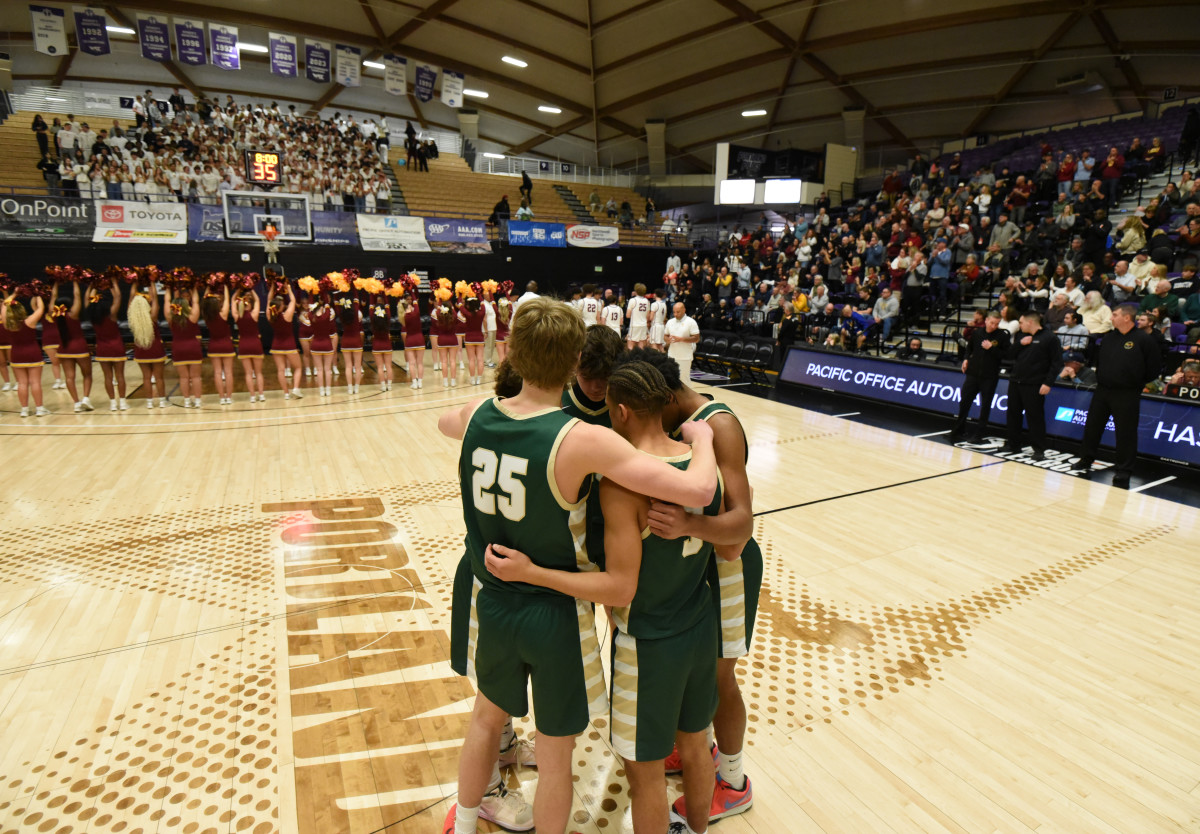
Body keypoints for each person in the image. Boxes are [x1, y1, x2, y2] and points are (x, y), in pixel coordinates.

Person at [436, 297, 717, 834]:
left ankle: (466, 823)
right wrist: (701, 437)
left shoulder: (476, 416)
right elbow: (699, 487)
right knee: (556, 755)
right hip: (554, 613)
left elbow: (445, 421)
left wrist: (493, 405)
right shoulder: (583, 439)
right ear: (573, 366)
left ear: (512, 352)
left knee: (483, 722)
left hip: (490, 597)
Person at [1076, 305, 1162, 487]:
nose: (1111, 318)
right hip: (1103, 390)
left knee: (1125, 433)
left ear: (1127, 318)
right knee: (1092, 427)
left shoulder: (1143, 340)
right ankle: (1086, 459)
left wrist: (1135, 382)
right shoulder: (1108, 338)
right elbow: (1100, 362)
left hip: (1127, 393)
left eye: (1114, 315)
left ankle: (1124, 470)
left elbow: (1154, 368)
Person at [1004, 311, 1064, 460]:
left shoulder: (1050, 338)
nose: (1020, 325)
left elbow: (1056, 363)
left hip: (1035, 384)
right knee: (1013, 414)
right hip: (1016, 381)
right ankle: (1013, 444)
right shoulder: (1021, 336)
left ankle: (1038, 449)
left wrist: (1048, 383)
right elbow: (1009, 354)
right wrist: (1019, 343)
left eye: (1021, 322)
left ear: (1030, 322)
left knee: (1035, 417)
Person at [951, 311, 1010, 442]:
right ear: (987, 321)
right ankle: (958, 429)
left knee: (985, 405)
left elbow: (1007, 355)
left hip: (989, 376)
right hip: (973, 373)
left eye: (997, 323)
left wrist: (991, 348)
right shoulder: (977, 333)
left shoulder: (1002, 336)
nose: (994, 326)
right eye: (992, 323)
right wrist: (966, 359)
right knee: (964, 401)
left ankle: (979, 434)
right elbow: (969, 348)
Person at [561, 323, 623, 428]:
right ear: (575, 367)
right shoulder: (558, 397)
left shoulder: (626, 400)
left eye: (605, 378)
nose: (595, 388)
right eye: (587, 377)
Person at [3, 293, 48, 418]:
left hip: (17, 355)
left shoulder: (7, 324)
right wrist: (37, 293)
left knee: (21, 383)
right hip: (32, 353)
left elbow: (4, 305)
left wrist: (14, 294)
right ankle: (39, 409)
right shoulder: (30, 321)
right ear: (21, 310)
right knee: (35, 382)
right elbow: (40, 309)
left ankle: (24, 409)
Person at [55, 281, 94, 412]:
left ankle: (76, 403)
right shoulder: (73, 314)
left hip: (63, 349)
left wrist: (55, 285)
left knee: (69, 377)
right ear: (69, 305)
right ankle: (86, 399)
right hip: (79, 348)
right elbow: (77, 295)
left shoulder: (55, 316)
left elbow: (53, 297)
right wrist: (76, 281)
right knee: (87, 375)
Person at [129, 283, 168, 408]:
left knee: (146, 378)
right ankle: (162, 401)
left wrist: (134, 283)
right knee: (159, 378)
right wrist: (151, 282)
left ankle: (149, 402)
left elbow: (131, 298)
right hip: (155, 348)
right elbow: (155, 299)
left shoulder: (133, 318)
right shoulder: (152, 316)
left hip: (141, 349)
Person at [90, 284, 128, 411]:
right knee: (120, 376)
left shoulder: (93, 317)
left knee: (108, 377)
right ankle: (122, 402)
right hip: (116, 347)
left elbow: (88, 298)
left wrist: (93, 285)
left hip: (102, 348)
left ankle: (112, 403)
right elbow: (118, 297)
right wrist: (112, 283)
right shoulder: (111, 314)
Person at [166, 285, 204, 408]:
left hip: (178, 348)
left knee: (183, 377)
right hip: (193, 347)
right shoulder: (193, 316)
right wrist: (194, 287)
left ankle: (187, 401)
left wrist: (169, 287)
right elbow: (196, 301)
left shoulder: (171, 317)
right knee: (196, 377)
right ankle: (197, 401)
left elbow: (167, 301)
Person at [266, 283, 305, 400]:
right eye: (282, 304)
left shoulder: (270, 315)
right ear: (281, 307)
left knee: (281, 370)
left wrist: (272, 288)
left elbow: (269, 300)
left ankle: (286, 393)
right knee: (298, 368)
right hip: (289, 346)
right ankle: (296, 389)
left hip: (276, 346)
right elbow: (293, 301)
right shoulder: (287, 315)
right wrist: (288, 289)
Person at [203, 286, 235, 406]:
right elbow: (227, 300)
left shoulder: (206, 316)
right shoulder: (223, 315)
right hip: (226, 345)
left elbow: (204, 301)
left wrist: (209, 288)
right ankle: (229, 397)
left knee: (217, 372)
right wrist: (226, 287)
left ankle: (221, 398)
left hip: (213, 346)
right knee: (228, 372)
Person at [233, 287, 265, 403]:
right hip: (255, 344)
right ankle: (261, 395)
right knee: (258, 372)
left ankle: (252, 396)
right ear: (249, 305)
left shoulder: (237, 316)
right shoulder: (254, 315)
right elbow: (258, 301)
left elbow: (232, 301)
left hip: (243, 345)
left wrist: (237, 290)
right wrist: (252, 288)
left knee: (248, 373)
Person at [665, 301, 699, 382]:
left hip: (685, 357)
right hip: (671, 355)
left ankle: (689, 395)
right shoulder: (670, 322)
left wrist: (681, 339)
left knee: (684, 380)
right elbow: (665, 335)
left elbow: (696, 338)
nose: (675, 314)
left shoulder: (691, 322)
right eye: (674, 312)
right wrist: (668, 340)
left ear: (684, 310)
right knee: (671, 379)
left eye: (678, 312)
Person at [338, 297, 365, 393]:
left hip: (345, 342)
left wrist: (338, 292)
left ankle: (349, 388)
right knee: (357, 367)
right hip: (356, 342)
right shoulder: (356, 314)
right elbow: (357, 299)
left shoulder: (342, 317)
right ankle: (356, 388)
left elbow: (337, 303)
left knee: (348, 366)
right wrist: (353, 284)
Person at [400, 291, 426, 389]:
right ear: (408, 308)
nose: (412, 306)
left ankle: (414, 382)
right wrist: (411, 289)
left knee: (411, 363)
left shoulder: (404, 317)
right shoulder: (416, 313)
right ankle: (420, 382)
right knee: (419, 363)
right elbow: (415, 301)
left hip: (410, 341)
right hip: (419, 339)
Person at [626, 283, 650, 349]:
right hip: (643, 325)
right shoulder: (647, 301)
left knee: (630, 344)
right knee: (641, 345)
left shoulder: (632, 300)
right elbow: (648, 316)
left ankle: (631, 359)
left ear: (636, 291)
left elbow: (628, 315)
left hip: (635, 325)